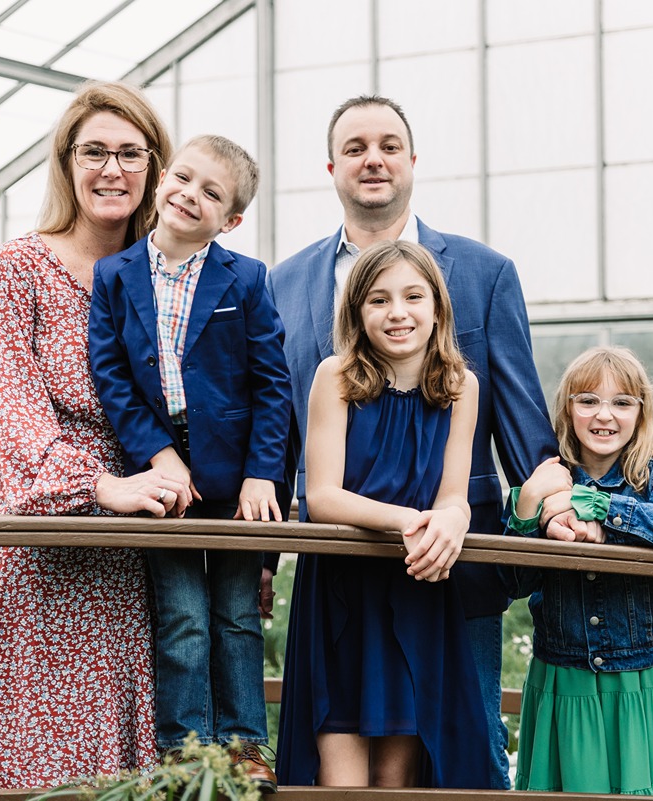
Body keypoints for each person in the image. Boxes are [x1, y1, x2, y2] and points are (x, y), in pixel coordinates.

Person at [265, 95, 558, 788]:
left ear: (413, 160)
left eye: (390, 144)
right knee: (333, 755)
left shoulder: (484, 272)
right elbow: (278, 437)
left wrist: (558, 504)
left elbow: (525, 428)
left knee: (459, 753)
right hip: (336, 569)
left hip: (446, 569)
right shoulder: (285, 281)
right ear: (332, 165)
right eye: (357, 146)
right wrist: (261, 554)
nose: (374, 158)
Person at [0, 80, 181, 786]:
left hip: (149, 561)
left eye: (130, 153)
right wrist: (102, 486)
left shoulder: (169, 279)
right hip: (47, 563)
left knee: (142, 764)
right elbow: (8, 420)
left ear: (155, 166)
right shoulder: (17, 271)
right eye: (94, 151)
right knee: (47, 768)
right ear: (66, 162)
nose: (112, 169)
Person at [88, 134, 291, 793]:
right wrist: (160, 456)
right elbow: (112, 375)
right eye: (183, 177)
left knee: (235, 614)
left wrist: (264, 473)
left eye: (211, 193)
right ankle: (184, 750)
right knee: (180, 615)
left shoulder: (247, 278)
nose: (189, 195)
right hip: (162, 476)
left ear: (230, 219)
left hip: (237, 484)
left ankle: (243, 746)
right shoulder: (115, 275)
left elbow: (272, 384)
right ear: (162, 179)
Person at [277, 239, 487, 787]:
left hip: (416, 594)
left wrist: (452, 517)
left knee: (398, 784)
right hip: (342, 596)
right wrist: (410, 521)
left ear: (437, 306)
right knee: (340, 784)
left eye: (413, 296)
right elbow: (320, 497)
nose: (398, 312)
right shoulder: (337, 376)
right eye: (378, 300)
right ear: (357, 312)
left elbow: (452, 492)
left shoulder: (462, 387)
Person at [501, 345, 653, 796]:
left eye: (621, 402)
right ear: (567, 410)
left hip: (636, 679)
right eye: (588, 401)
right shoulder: (548, 478)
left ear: (640, 411)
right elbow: (512, 583)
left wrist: (600, 507)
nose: (603, 415)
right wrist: (528, 509)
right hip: (561, 677)